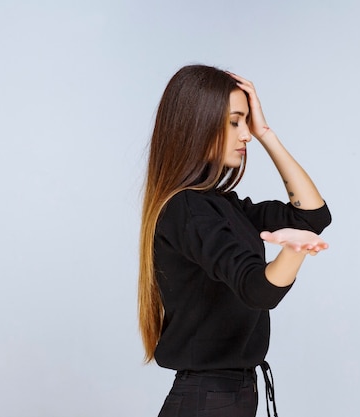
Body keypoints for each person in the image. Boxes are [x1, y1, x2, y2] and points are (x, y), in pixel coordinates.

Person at [137, 65, 332, 417]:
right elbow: (258, 290)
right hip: (208, 400)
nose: (246, 136)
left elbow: (313, 216)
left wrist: (266, 133)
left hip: (227, 397)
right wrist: (294, 251)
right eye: (234, 122)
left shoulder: (223, 206)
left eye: (246, 123)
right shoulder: (187, 210)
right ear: (197, 124)